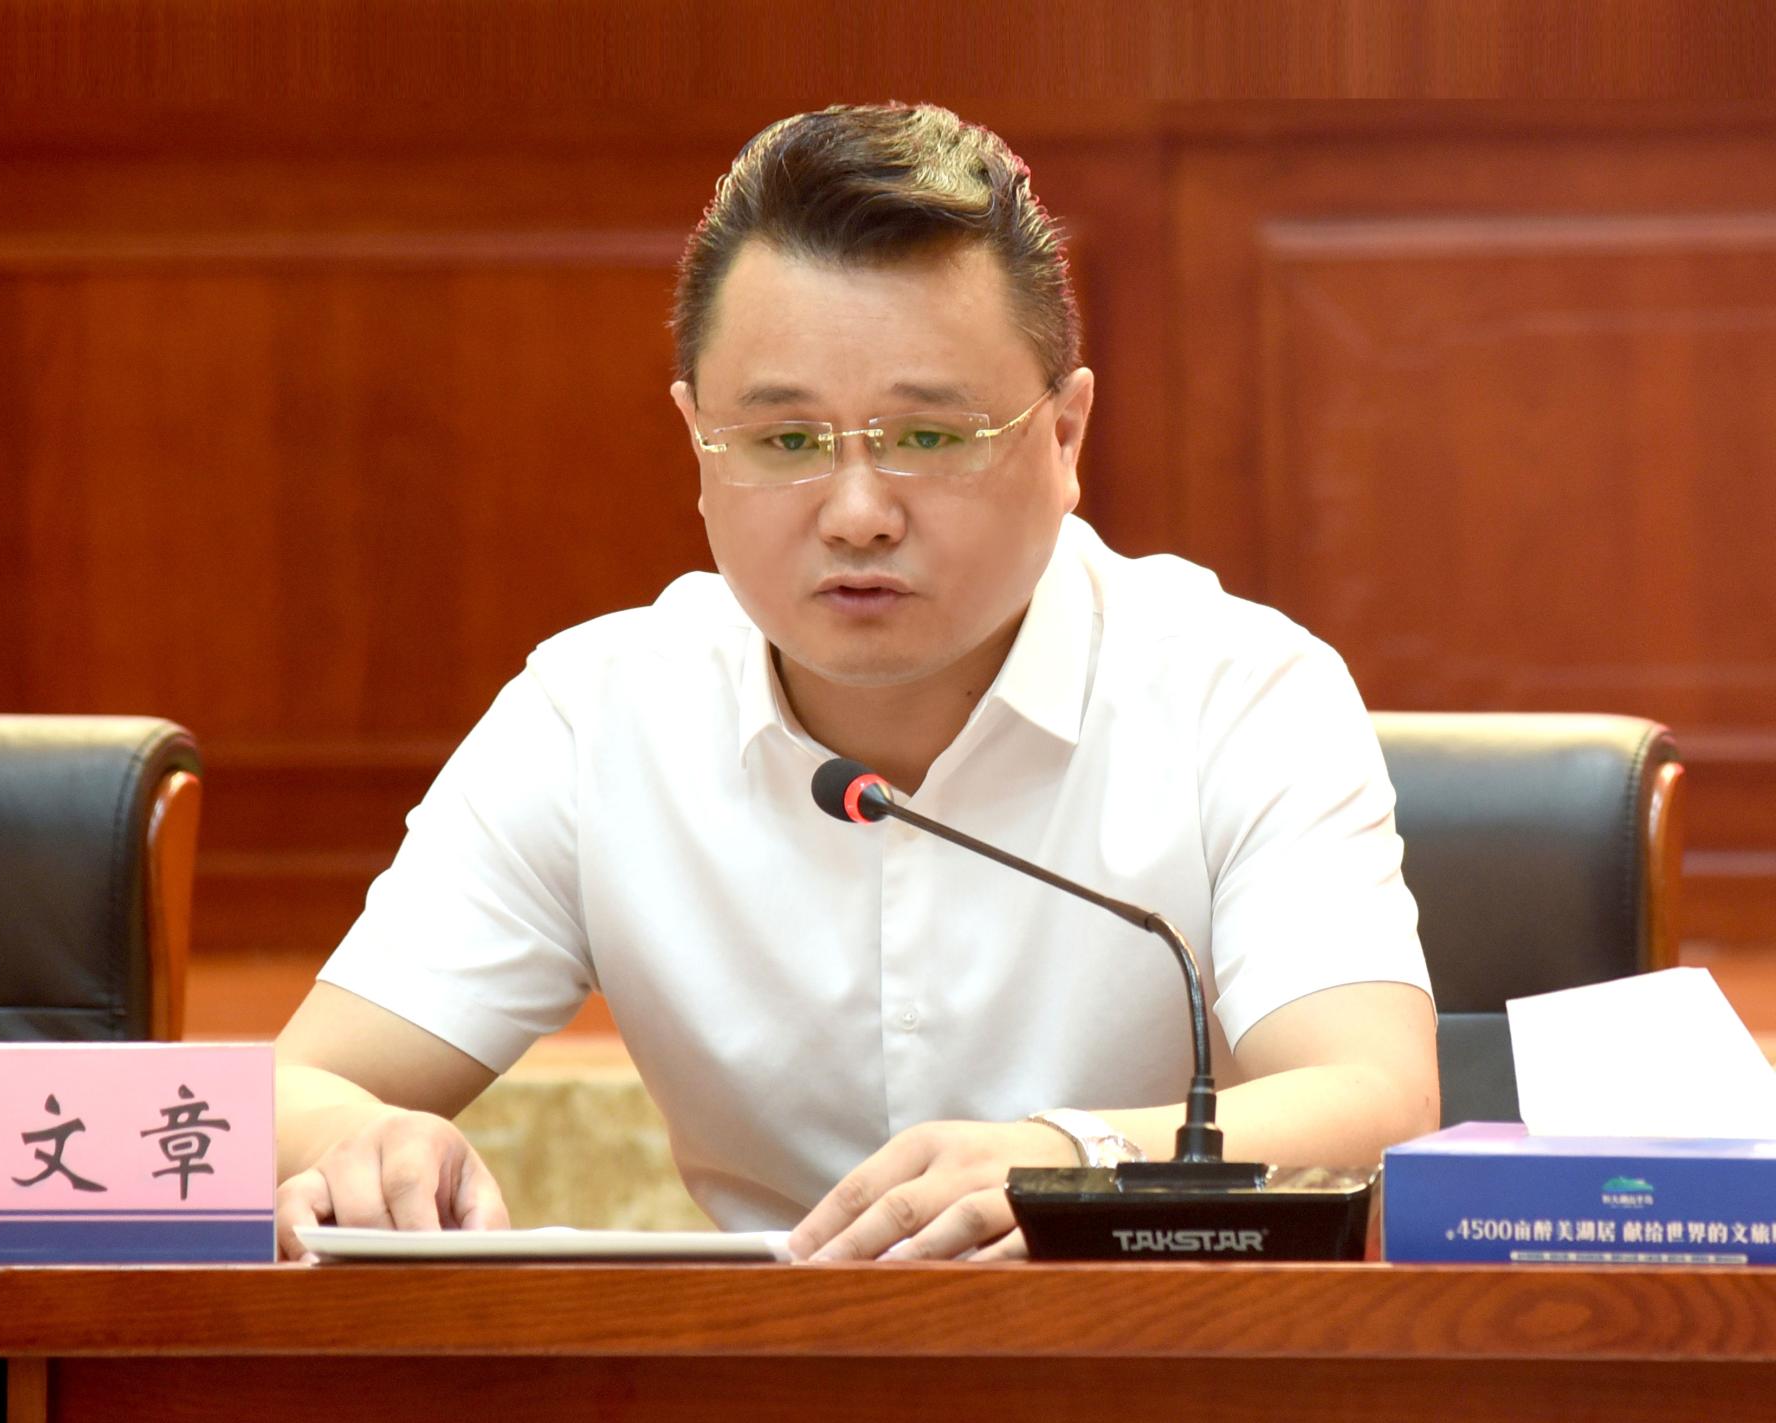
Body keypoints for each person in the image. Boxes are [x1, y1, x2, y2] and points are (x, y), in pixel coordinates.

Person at [273, 102, 1438, 1263]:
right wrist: (358, 1141)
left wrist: (1071, 1163)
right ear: (699, 442)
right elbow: (288, 1089)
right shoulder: (596, 716)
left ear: (1066, 435)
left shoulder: (1240, 693)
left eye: (928, 438)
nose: (858, 513)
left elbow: (1378, 1103)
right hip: (770, 1353)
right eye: (786, 442)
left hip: (1154, 1347)